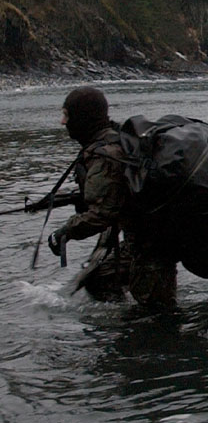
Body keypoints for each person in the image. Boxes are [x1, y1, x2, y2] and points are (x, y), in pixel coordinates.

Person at [49, 86, 178, 306]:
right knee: (99, 279)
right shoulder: (116, 139)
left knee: (155, 317)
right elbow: (118, 195)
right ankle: (122, 325)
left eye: (66, 115)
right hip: (147, 241)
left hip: (151, 247)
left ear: (82, 118)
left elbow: (103, 213)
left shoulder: (105, 155)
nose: (62, 122)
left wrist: (65, 232)